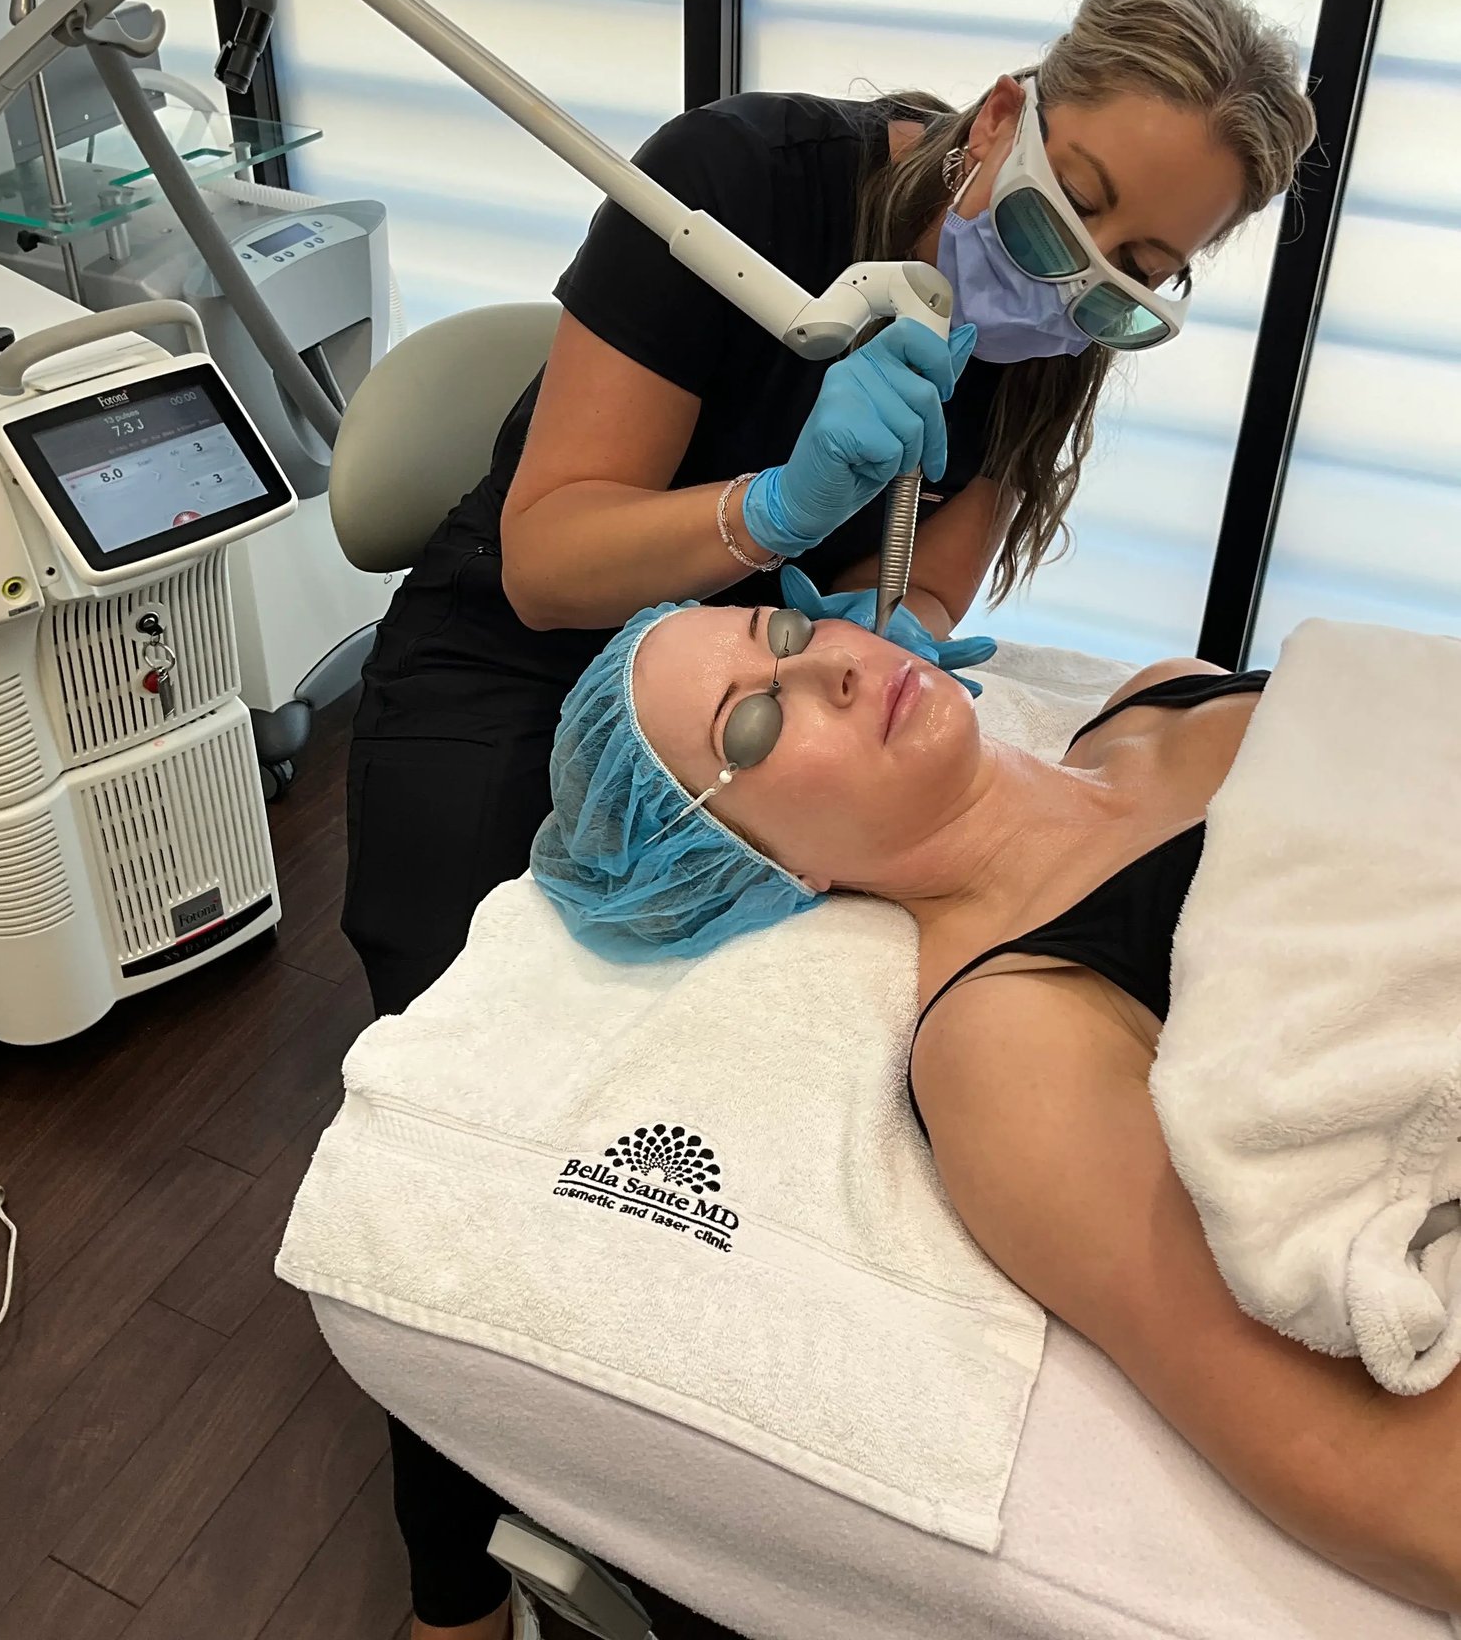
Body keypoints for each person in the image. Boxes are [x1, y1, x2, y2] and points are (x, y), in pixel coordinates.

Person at [344, 0, 1316, 1640]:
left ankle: (674, 1502)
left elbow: (924, 595)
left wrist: (891, 652)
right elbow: (551, 552)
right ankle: (451, 1582)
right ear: (1005, 111)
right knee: (476, 1045)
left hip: (781, 665)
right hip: (523, 649)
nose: (1084, 273)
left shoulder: (1036, 335)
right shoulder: (741, 183)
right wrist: (784, 509)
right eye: (1072, 206)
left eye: (1139, 269)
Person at [530, 596, 1461, 1617]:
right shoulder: (1004, 1045)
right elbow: (1372, 1466)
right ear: (767, 865)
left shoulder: (1153, 693)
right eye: (751, 726)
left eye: (785, 633)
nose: (829, 668)